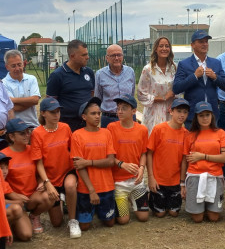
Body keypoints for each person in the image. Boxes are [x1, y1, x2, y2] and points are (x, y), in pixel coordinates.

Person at [31, 97, 81, 239]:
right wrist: (47, 182)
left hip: (66, 171)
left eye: (58, 111)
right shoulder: (37, 133)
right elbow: (38, 162)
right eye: (52, 112)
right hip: (50, 176)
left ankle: (73, 221)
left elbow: (73, 149)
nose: (56, 115)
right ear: (43, 113)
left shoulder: (65, 127)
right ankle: (59, 198)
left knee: (71, 185)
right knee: (57, 223)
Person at [1, 118, 59, 235]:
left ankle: (34, 216)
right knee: (26, 235)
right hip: (16, 200)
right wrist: (15, 196)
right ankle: (13, 222)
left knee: (51, 196)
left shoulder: (33, 149)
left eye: (28, 132)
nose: (27, 135)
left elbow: (39, 170)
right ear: (11, 137)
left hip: (32, 196)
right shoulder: (3, 155)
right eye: (22, 133)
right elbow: (0, 181)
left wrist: (41, 182)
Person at [70, 97, 117, 231]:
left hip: (106, 186)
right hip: (86, 189)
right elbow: (79, 166)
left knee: (110, 223)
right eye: (93, 113)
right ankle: (92, 209)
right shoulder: (77, 136)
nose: (97, 116)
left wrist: (88, 162)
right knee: (84, 227)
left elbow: (110, 161)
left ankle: (99, 210)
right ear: (84, 117)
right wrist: (91, 191)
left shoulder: (106, 133)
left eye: (99, 113)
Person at [180, 101, 225, 223]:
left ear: (212, 116)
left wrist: (203, 156)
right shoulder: (190, 136)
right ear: (196, 117)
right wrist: (182, 184)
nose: (205, 118)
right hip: (195, 176)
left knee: (213, 218)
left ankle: (208, 205)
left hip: (215, 176)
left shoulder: (220, 133)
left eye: (207, 114)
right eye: (201, 115)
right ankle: (200, 206)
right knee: (197, 219)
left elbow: (224, 158)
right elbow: (185, 161)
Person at [172, 30, 225, 128]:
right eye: (201, 42)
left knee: (211, 143)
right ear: (192, 45)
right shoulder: (184, 64)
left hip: (212, 116)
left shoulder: (216, 63)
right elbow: (176, 88)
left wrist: (215, 77)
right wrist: (194, 76)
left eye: (206, 42)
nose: (204, 44)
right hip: (193, 116)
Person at [107, 94, 149, 224]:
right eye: (118, 108)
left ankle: (133, 198)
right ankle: (124, 197)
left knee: (144, 217)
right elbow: (109, 157)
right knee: (123, 220)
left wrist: (141, 168)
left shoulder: (142, 129)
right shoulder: (111, 128)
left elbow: (143, 153)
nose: (119, 111)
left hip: (136, 181)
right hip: (119, 182)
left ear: (134, 111)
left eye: (124, 108)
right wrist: (121, 164)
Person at [147, 99, 190, 218]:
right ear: (171, 111)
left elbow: (184, 161)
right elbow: (149, 153)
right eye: (179, 111)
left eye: (185, 112)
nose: (182, 115)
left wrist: (182, 184)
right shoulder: (159, 129)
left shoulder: (187, 134)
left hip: (175, 181)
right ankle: (151, 195)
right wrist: (151, 177)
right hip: (159, 180)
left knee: (173, 213)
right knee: (160, 214)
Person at [46, 40, 95, 131]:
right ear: (72, 56)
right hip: (67, 124)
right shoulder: (57, 75)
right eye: (83, 55)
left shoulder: (89, 72)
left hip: (87, 123)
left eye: (87, 54)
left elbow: (91, 94)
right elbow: (50, 103)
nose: (87, 57)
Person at [137, 37, 177, 134]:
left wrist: (174, 102)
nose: (164, 48)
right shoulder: (148, 69)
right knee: (153, 140)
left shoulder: (174, 68)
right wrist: (162, 98)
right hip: (153, 111)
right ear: (156, 49)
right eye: (161, 46)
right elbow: (141, 94)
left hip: (170, 110)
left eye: (167, 46)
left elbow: (178, 89)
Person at [94, 44, 136, 128]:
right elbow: (98, 98)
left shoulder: (130, 72)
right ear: (107, 58)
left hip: (128, 118)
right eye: (113, 55)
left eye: (119, 55)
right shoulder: (100, 74)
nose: (116, 58)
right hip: (109, 119)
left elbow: (131, 94)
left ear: (122, 56)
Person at [2, 49, 41, 128]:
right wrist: (30, 101)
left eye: (19, 64)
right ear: (7, 67)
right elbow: (12, 108)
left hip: (33, 126)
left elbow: (35, 100)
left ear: (23, 64)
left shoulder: (31, 79)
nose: (17, 68)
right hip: (15, 129)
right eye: (13, 66)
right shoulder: (3, 83)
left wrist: (13, 100)